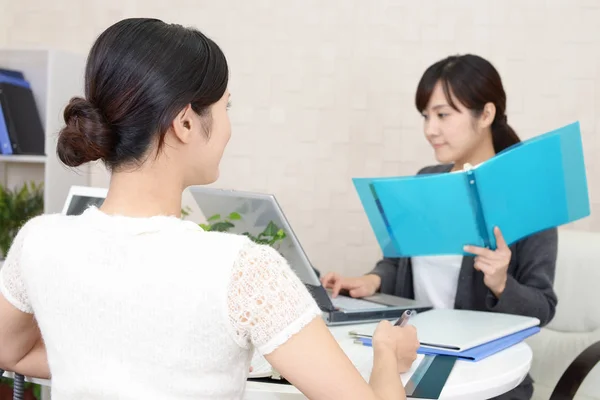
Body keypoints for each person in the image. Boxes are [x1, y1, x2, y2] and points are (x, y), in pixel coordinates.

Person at [0, 18, 419, 400]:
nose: (229, 126)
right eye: (225, 108)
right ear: (185, 123)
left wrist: (114, 364)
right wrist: (387, 355)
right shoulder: (243, 270)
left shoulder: (38, 242)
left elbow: (11, 353)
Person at [321, 54, 558, 400]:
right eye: (426, 116)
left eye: (443, 115)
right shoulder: (425, 182)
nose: (430, 129)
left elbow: (543, 309)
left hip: (485, 378)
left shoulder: (529, 197)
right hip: (414, 361)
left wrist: (501, 283)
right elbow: (400, 263)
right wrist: (370, 281)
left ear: (486, 115)